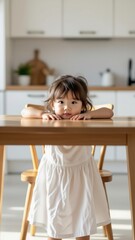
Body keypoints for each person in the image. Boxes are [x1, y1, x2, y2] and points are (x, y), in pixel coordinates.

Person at [21, 75, 113, 240]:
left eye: (74, 102)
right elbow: (25, 111)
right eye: (61, 102)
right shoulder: (49, 117)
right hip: (54, 175)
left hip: (82, 175)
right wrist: (42, 114)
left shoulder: (84, 117)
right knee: (55, 218)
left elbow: (109, 112)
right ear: (52, 104)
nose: (66, 108)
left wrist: (90, 115)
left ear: (83, 106)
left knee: (83, 218)